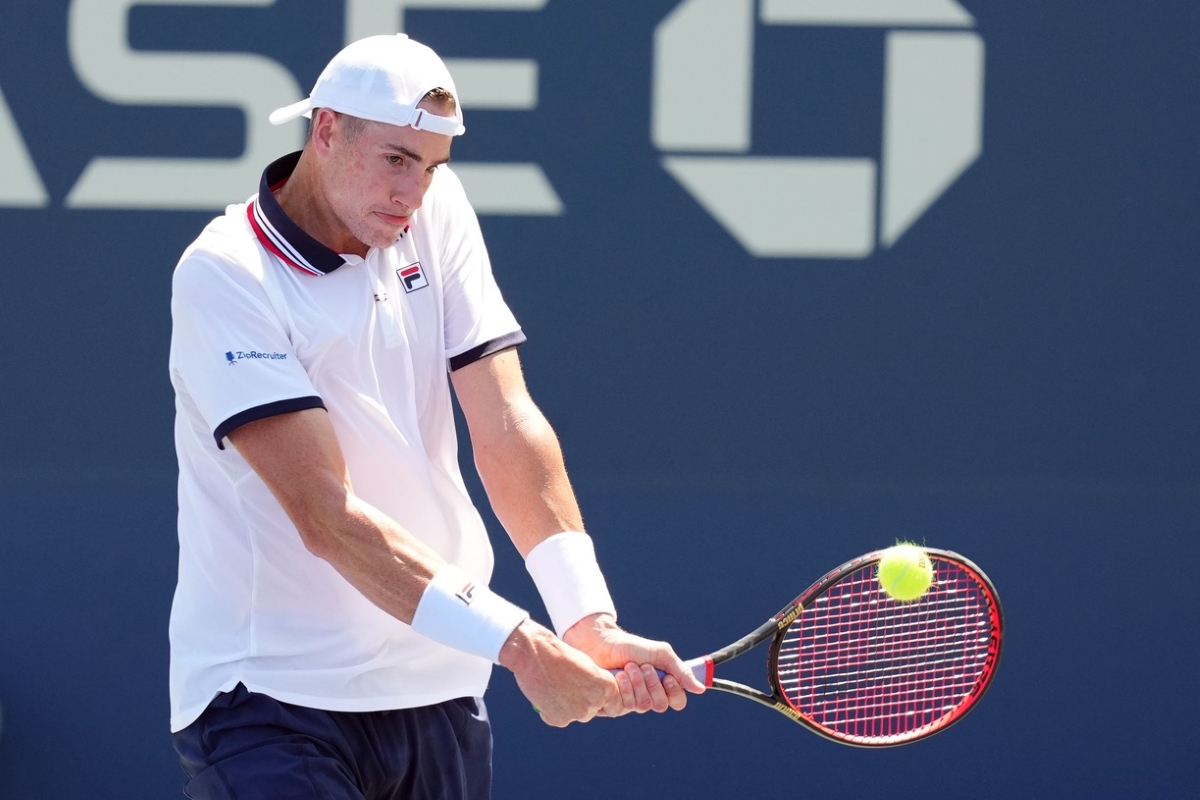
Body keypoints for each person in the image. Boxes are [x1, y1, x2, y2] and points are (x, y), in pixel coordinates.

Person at [166, 32, 704, 799]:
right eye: (394, 159)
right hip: (272, 698)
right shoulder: (225, 274)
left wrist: (586, 615)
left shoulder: (434, 211)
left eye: (431, 166)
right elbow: (327, 516)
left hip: (437, 692)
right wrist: (520, 645)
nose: (413, 192)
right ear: (325, 131)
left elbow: (506, 423)